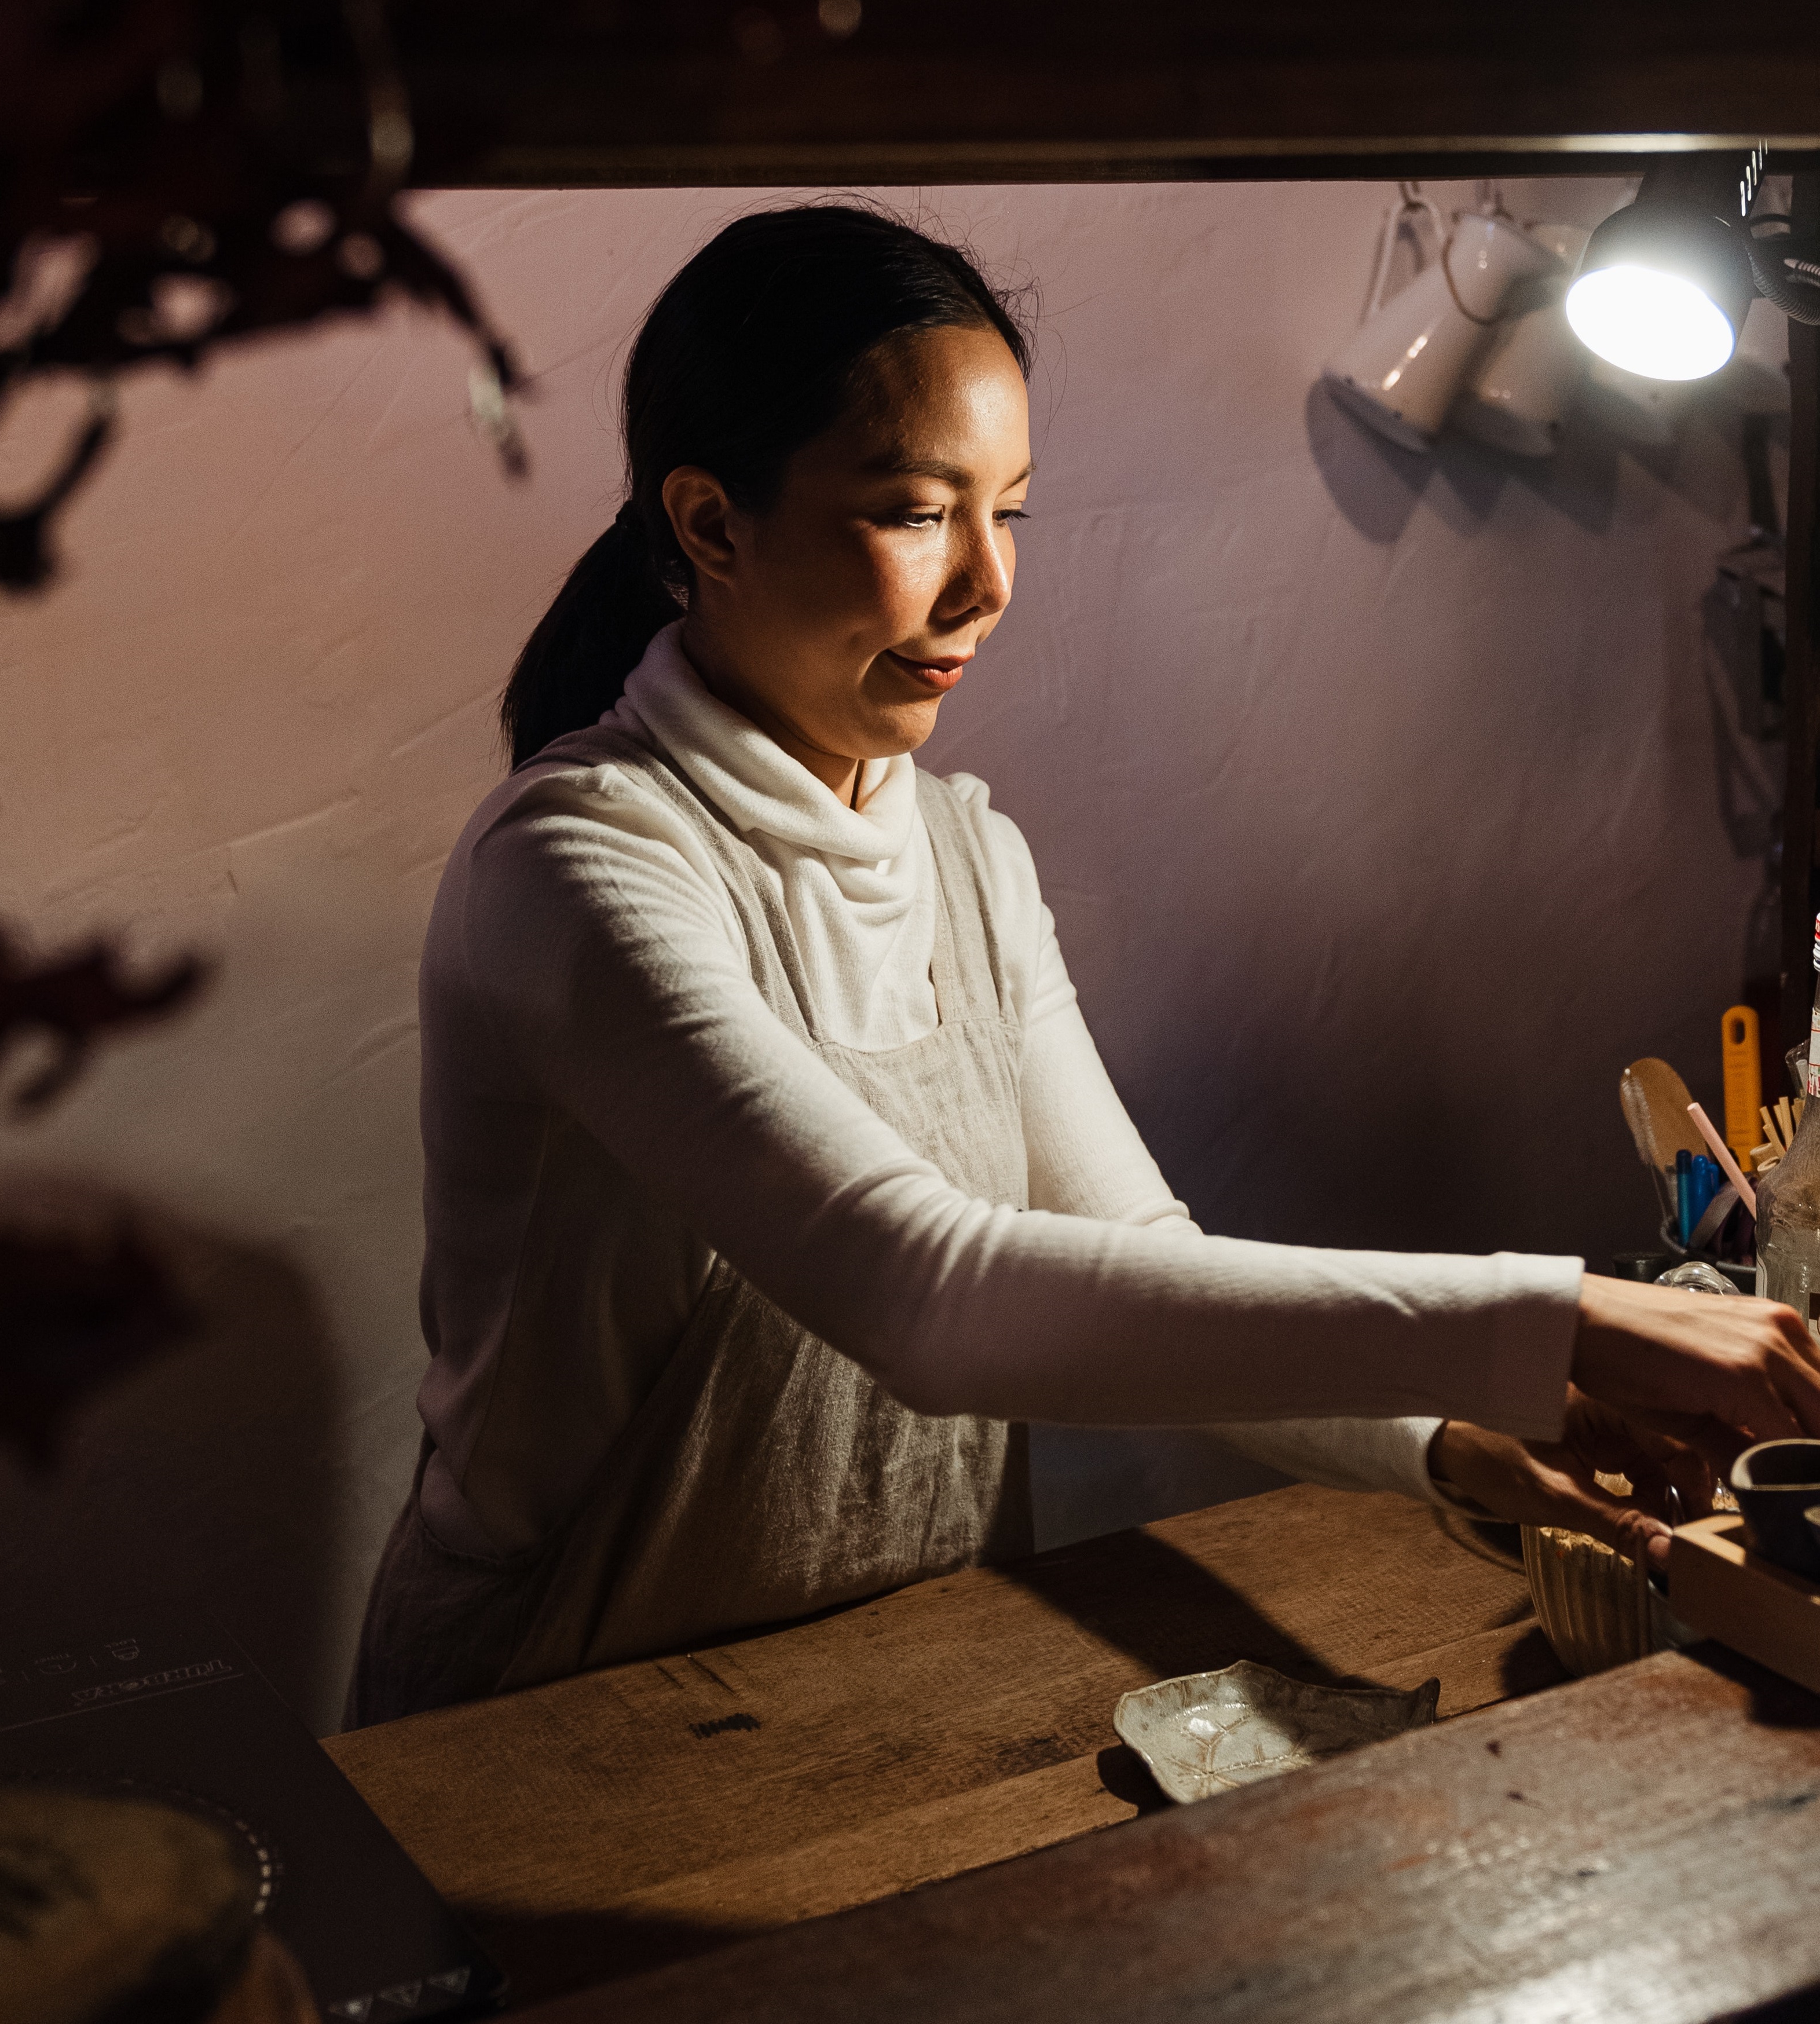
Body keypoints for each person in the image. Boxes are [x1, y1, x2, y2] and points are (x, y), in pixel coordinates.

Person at [352, 204, 1820, 1723]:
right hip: (554, 1716)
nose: (986, 586)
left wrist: (1442, 1438)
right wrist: (1550, 1317)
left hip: (910, 1682)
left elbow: (1145, 1264)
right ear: (712, 524)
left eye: (1011, 513)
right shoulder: (576, 867)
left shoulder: (965, 852)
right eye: (918, 511)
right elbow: (927, 1290)